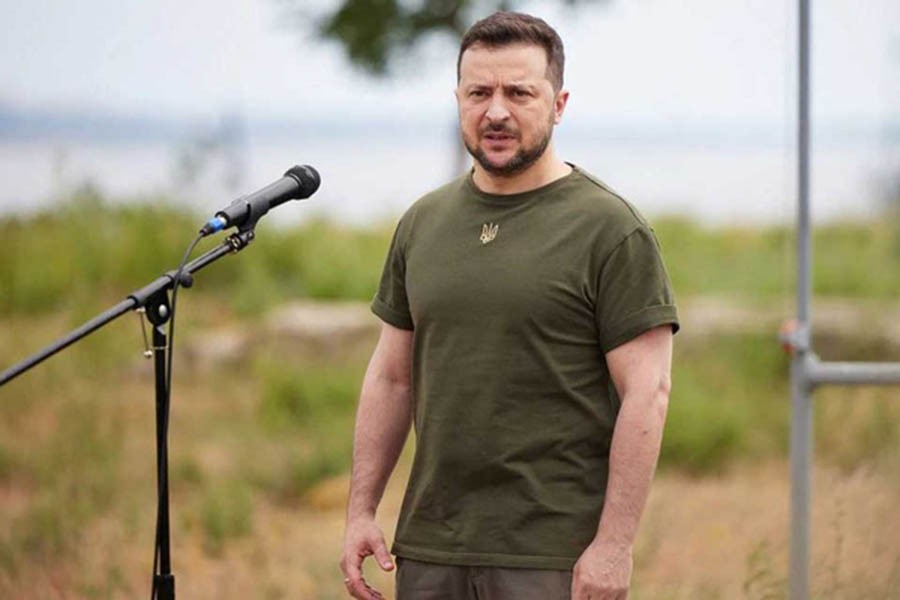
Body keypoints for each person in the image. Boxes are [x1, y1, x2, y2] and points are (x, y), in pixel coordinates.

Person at [340, 11, 678, 600]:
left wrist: (614, 547)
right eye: (479, 92)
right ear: (458, 100)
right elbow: (392, 378)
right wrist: (360, 511)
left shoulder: (610, 230)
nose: (496, 111)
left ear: (559, 103)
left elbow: (647, 392)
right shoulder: (423, 222)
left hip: (552, 559)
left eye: (519, 92)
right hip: (429, 549)